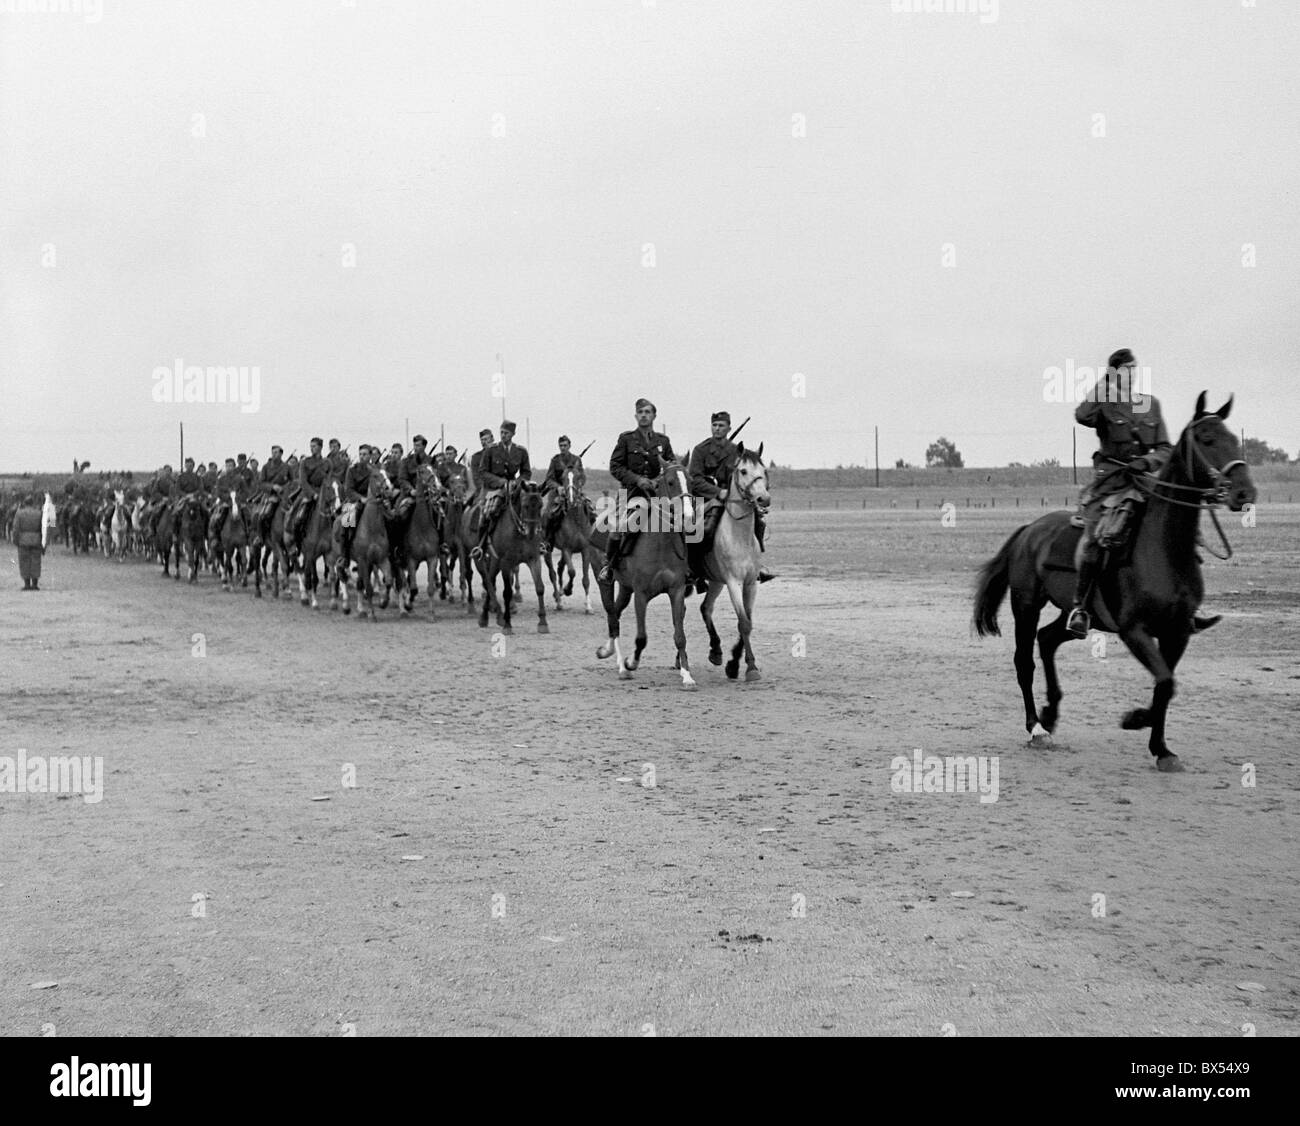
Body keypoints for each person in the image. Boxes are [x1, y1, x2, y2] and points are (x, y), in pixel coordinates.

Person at [1068, 348, 1171, 638]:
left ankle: (1181, 601)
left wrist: (1147, 462)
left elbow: (1165, 449)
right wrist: (1103, 387)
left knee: (1175, 528)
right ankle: (1081, 609)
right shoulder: (1104, 401)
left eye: (1133, 368)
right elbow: (1081, 415)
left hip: (1143, 481)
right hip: (1110, 482)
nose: (1130, 374)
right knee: (1096, 537)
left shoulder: (1147, 404)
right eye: (1124, 369)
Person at [688, 410, 771, 585]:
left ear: (729, 428)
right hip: (707, 498)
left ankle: (757, 564)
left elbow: (748, 473)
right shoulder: (700, 450)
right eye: (714, 425)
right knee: (704, 528)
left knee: (758, 521)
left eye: (721, 426)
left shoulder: (737, 451)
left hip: (733, 497)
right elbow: (695, 480)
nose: (717, 429)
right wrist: (719, 492)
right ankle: (695, 569)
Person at [599, 398, 676, 583]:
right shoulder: (626, 439)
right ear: (636, 416)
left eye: (647, 412)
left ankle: (687, 570)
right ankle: (609, 566)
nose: (644, 415)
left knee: (687, 523)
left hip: (658, 494)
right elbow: (615, 466)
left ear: (654, 416)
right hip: (631, 492)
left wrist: (658, 481)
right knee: (618, 528)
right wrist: (638, 480)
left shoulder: (663, 441)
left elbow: (672, 465)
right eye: (640, 412)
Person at [470, 421, 531, 560]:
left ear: (513, 434)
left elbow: (526, 472)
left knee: (531, 505)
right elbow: (483, 472)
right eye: (501, 432)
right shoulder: (492, 450)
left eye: (506, 433)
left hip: (514, 487)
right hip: (494, 490)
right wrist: (501, 482)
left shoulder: (521, 451)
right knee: (486, 513)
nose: (503, 435)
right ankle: (481, 547)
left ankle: (536, 542)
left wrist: (517, 482)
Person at [541, 435, 587, 548]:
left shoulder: (577, 460)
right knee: (548, 515)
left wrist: (577, 486)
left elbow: (582, 477)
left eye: (565, 445)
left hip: (574, 491)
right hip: (558, 493)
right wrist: (558, 487)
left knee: (590, 510)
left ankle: (589, 538)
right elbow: (549, 479)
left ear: (569, 446)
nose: (563, 448)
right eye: (561, 445)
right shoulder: (555, 460)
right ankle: (547, 541)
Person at [208, 457, 249, 540]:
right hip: (225, 503)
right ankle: (216, 537)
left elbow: (245, 492)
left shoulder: (240, 479)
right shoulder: (221, 479)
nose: (229, 468)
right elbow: (219, 492)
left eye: (230, 466)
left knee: (247, 515)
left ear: (234, 467)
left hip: (238, 503)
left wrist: (238, 499)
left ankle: (249, 535)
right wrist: (228, 498)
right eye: (227, 466)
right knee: (217, 518)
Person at [15, 493, 44, 590]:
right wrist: (43, 541)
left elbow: (16, 529)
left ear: (24, 503)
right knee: (36, 561)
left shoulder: (19, 513)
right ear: (33, 503)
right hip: (36, 539)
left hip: (23, 540)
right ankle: (35, 584)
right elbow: (42, 528)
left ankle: (27, 584)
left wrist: (16, 540)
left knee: (24, 562)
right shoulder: (39, 513)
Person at [467, 428, 494, 501]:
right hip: (484, 491)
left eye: (486, 439)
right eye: (482, 440)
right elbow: (476, 478)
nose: (484, 442)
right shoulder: (476, 457)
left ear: (492, 438)